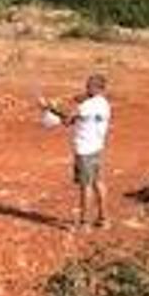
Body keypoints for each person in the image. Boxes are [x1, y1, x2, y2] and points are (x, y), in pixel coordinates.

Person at [41, 72, 111, 231]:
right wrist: (62, 99)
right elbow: (80, 98)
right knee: (98, 183)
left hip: (84, 150)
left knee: (85, 186)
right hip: (97, 148)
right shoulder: (104, 103)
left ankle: (84, 223)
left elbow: (67, 120)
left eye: (89, 86)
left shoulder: (86, 106)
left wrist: (49, 107)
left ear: (96, 88)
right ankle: (104, 220)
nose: (86, 88)